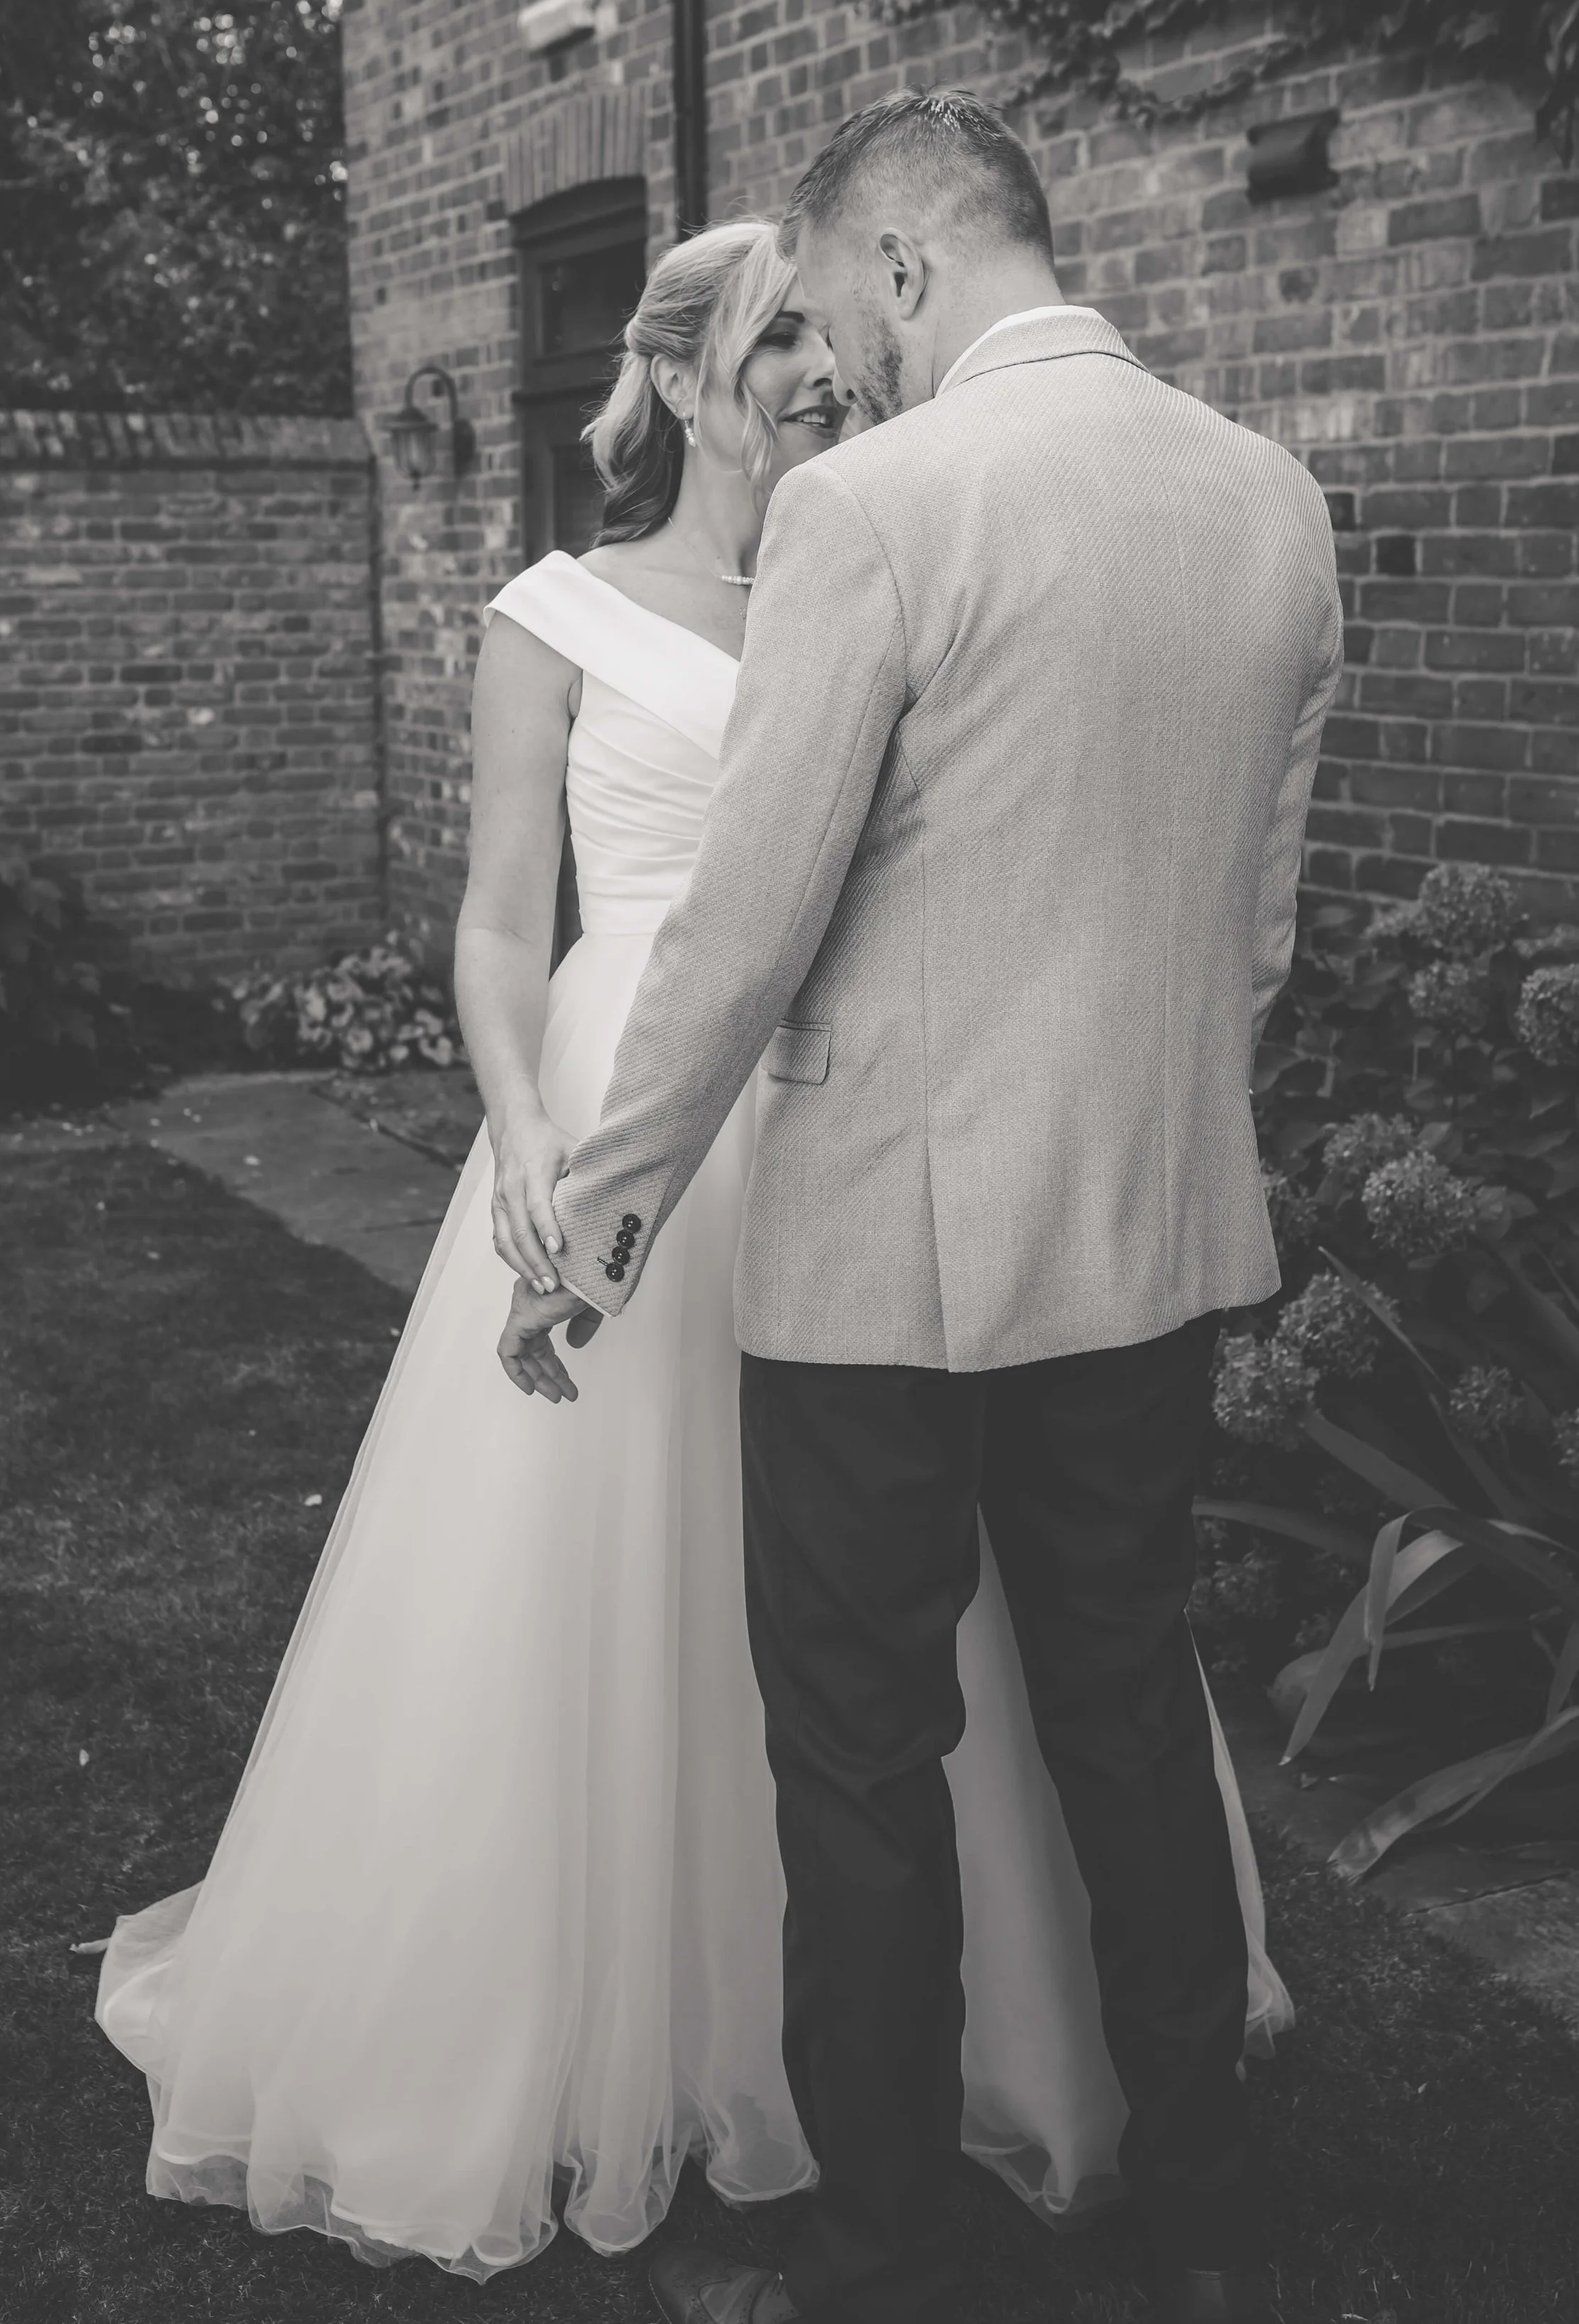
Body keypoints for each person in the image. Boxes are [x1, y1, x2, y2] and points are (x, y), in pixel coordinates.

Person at [95, 213, 1286, 2296]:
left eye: (827, 337)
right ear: (674, 368)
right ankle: (650, 2054)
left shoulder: (905, 545)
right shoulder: (552, 611)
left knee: (904, 1665)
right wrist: (536, 1134)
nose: (818, 373)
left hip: (884, 1164)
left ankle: (920, 2114)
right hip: (636, 1121)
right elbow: (498, 918)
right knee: (648, 1637)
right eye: (776, 344)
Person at [499, 92, 1341, 2324]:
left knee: (862, 1759)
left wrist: (598, 1217)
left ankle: (878, 2256)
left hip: (881, 1259)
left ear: (893, 267)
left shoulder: (875, 505)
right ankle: (1208, 2220)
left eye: (844, 321)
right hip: (1147, 1241)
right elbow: (1254, 930)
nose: (838, 379)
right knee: (1130, 1724)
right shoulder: (1270, 501)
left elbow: (745, 928)